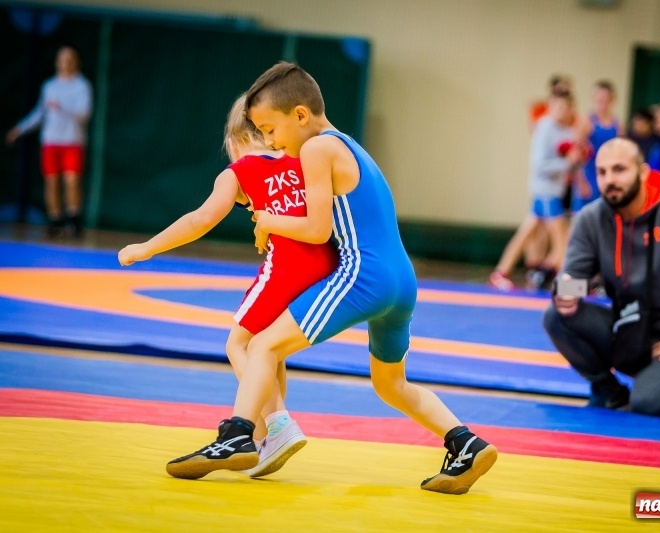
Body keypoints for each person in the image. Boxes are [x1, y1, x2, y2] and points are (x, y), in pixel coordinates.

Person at [164, 62, 498, 495]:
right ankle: (465, 443)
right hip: (402, 281)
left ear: (300, 116)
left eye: (270, 129)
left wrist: (267, 218)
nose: (269, 142)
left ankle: (237, 435)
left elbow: (317, 229)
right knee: (391, 384)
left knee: (260, 343)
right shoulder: (352, 146)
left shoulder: (316, 150)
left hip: (365, 276)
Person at [118, 94, 339, 478]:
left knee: (239, 343)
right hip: (329, 265)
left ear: (234, 143)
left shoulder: (238, 172)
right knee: (270, 348)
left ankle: (278, 424)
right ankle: (268, 432)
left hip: (287, 267)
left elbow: (200, 219)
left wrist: (147, 247)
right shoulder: (304, 157)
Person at [543, 137, 660, 419]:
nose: (610, 180)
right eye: (602, 172)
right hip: (626, 331)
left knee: (651, 403)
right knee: (555, 316)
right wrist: (566, 291)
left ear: (643, 172)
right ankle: (608, 392)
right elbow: (576, 279)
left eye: (619, 170)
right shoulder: (590, 218)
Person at [490, 90, 584, 291]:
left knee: (525, 233)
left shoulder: (566, 130)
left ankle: (500, 273)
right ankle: (568, 285)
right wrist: (567, 163)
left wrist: (575, 161)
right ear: (550, 107)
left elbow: (569, 162)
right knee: (562, 239)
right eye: (558, 107)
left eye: (567, 107)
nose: (562, 111)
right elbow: (539, 165)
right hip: (545, 191)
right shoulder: (545, 128)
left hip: (554, 190)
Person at [6, 46, 93, 237]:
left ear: (76, 61)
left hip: (72, 142)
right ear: (57, 62)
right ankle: (55, 220)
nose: (66, 62)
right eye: (62, 59)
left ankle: (74, 219)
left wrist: (62, 106)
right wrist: (19, 129)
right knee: (51, 181)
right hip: (51, 142)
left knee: (71, 181)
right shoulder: (50, 86)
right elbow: (40, 113)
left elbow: (84, 114)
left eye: (70, 58)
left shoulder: (82, 86)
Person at [571, 80, 623, 213]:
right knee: (582, 220)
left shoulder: (617, 126)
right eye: (598, 99)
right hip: (588, 177)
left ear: (612, 100)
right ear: (593, 99)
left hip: (608, 179)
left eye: (605, 99)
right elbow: (575, 155)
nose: (602, 103)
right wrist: (580, 181)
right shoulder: (586, 122)